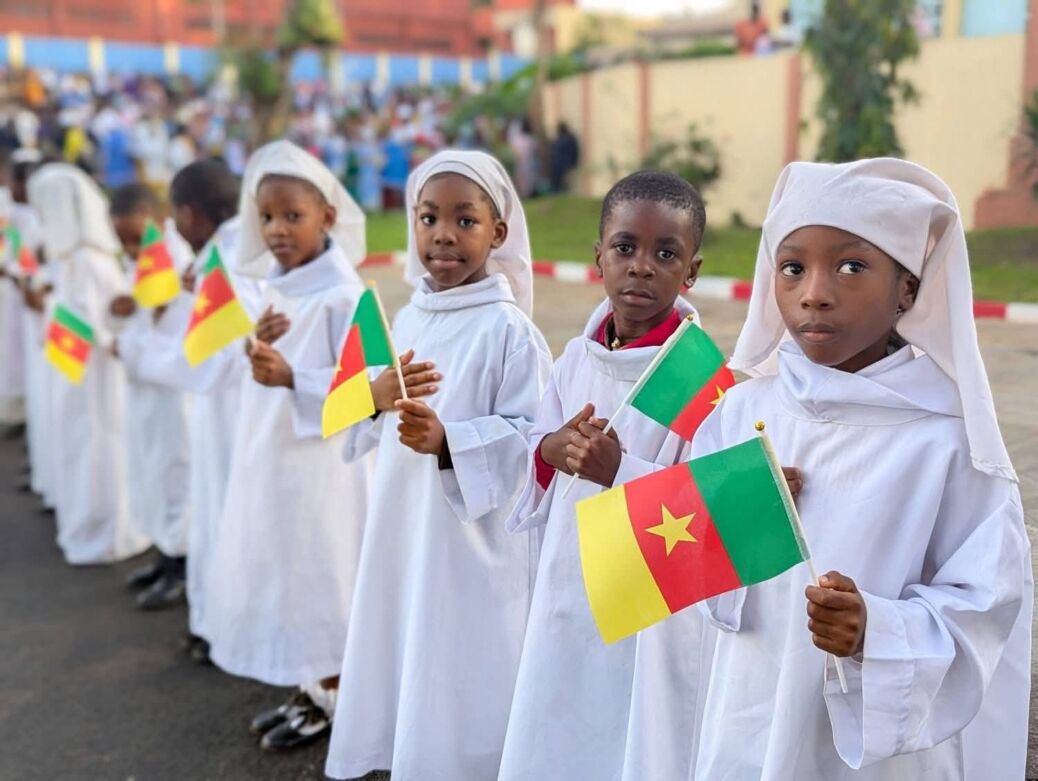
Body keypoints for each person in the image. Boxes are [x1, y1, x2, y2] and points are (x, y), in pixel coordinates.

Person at [661, 159, 1031, 779]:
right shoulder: (743, 410)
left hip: (871, 737)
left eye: (852, 265)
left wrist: (876, 631)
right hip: (749, 704)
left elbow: (984, 604)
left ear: (908, 288)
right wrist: (738, 515)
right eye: (792, 267)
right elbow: (683, 563)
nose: (814, 292)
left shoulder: (945, 442)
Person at [325, 150, 553, 780]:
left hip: (468, 542)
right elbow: (371, 408)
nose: (443, 235)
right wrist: (374, 398)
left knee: (459, 655)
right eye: (428, 218)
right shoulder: (409, 315)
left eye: (464, 220)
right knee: (407, 633)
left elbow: (533, 442)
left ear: (498, 232)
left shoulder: (509, 332)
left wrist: (451, 441)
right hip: (405, 520)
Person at [496, 170, 709, 780]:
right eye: (625, 248)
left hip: (643, 601)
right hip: (568, 573)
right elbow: (538, 445)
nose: (641, 267)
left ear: (690, 272)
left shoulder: (695, 377)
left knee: (625, 731)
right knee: (559, 710)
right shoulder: (573, 358)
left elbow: (702, 510)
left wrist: (622, 471)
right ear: (599, 258)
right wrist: (554, 447)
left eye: (664, 254)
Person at [201, 141, 370, 752]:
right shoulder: (280, 285)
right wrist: (256, 349)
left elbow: (366, 386)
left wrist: (291, 377)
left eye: (292, 216)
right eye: (267, 217)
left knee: (321, 575)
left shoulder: (343, 296)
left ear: (326, 217)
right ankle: (312, 687)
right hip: (272, 458)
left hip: (318, 468)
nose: (276, 231)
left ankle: (339, 697)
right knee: (289, 577)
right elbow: (270, 363)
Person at [117, 159, 261, 663]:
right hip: (237, 406)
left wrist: (136, 354)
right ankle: (219, 621)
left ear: (190, 213)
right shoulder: (235, 251)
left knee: (223, 517)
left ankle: (223, 627)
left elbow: (205, 363)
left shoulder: (223, 262)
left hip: (230, 411)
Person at [27, 164, 150, 564]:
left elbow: (107, 322)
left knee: (98, 447)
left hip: (94, 376)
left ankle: (107, 533)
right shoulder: (69, 261)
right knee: (80, 447)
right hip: (72, 372)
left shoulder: (90, 262)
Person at [108, 183, 192, 610]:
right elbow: (142, 319)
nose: (127, 247)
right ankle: (165, 552)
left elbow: (172, 339)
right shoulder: (142, 260)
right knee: (152, 472)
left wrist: (128, 347)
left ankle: (182, 565)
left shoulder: (180, 266)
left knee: (176, 475)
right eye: (119, 239)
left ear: (161, 224)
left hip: (174, 396)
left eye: (135, 237)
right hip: (146, 388)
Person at [549, 121, 579, 193]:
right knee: (560, 182)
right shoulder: (567, 139)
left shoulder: (563, 139)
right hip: (563, 164)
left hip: (561, 164)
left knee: (560, 182)